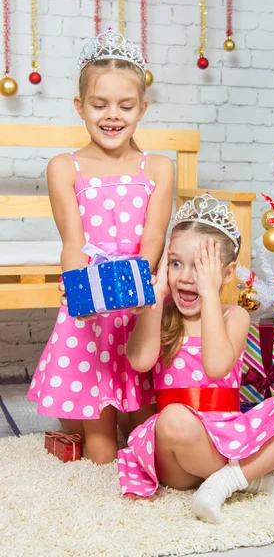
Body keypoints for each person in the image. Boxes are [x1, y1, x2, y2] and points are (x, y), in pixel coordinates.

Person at [118, 193, 274, 524]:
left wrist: (211, 294)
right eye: (175, 263)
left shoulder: (234, 316)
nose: (187, 277)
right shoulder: (160, 313)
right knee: (172, 418)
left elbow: (216, 366)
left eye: (201, 267)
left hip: (230, 434)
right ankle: (255, 479)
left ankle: (227, 481)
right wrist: (155, 298)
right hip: (179, 451)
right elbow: (140, 361)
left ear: (227, 274)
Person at [27, 28, 174, 464]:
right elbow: (73, 242)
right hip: (90, 305)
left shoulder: (158, 167)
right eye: (99, 104)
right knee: (101, 453)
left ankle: (139, 433)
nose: (112, 115)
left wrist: (127, 286)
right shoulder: (64, 167)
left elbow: (153, 238)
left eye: (125, 106)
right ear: (80, 107)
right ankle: (93, 432)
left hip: (137, 298)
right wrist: (82, 292)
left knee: (150, 429)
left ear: (142, 109)